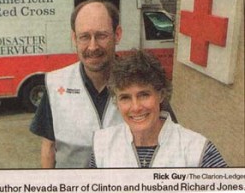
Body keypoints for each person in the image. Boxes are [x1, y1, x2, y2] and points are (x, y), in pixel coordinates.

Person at [30, 0, 177, 168]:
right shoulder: (56, 84)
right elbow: (48, 147)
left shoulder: (144, 82)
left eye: (101, 36)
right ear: (74, 38)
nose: (92, 47)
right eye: (84, 37)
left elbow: (170, 142)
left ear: (117, 35)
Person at [90, 49, 227, 168]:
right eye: (125, 98)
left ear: (161, 95)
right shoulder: (102, 145)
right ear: (116, 102)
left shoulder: (198, 150)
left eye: (144, 95)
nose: (136, 107)